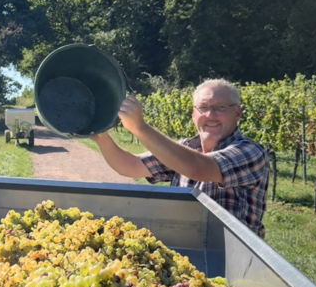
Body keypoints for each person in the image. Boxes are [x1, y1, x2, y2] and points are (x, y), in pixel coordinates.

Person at [91, 79, 269, 238]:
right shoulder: (185, 149)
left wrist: (140, 128)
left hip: (234, 257)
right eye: (203, 107)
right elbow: (131, 165)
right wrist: (101, 137)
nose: (210, 114)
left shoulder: (251, 152)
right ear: (193, 115)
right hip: (185, 247)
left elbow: (196, 167)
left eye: (221, 107)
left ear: (237, 113)